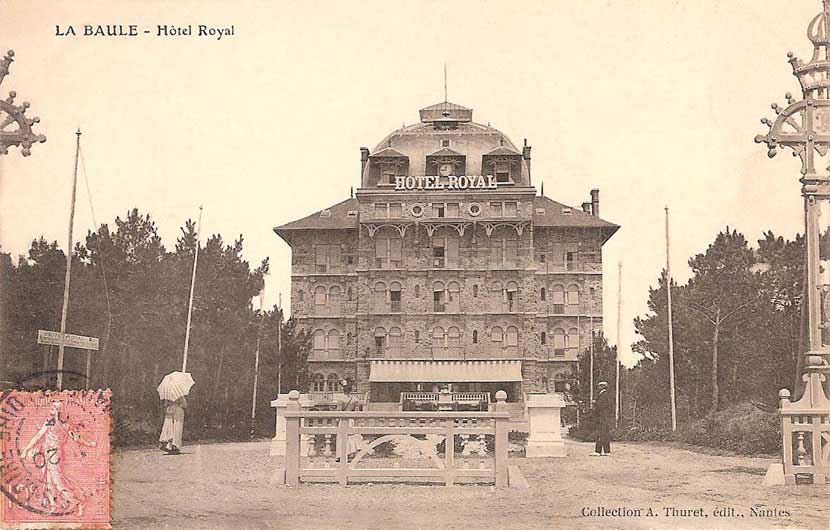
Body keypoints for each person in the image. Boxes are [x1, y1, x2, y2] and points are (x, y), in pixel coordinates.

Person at [591, 381, 613, 456]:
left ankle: (598, 451)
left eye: (600, 386)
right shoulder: (605, 395)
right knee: (604, 434)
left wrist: (595, 403)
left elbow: (602, 406)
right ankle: (606, 451)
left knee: (600, 434)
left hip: (602, 417)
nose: (598, 387)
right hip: (604, 417)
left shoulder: (603, 395)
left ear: (603, 386)